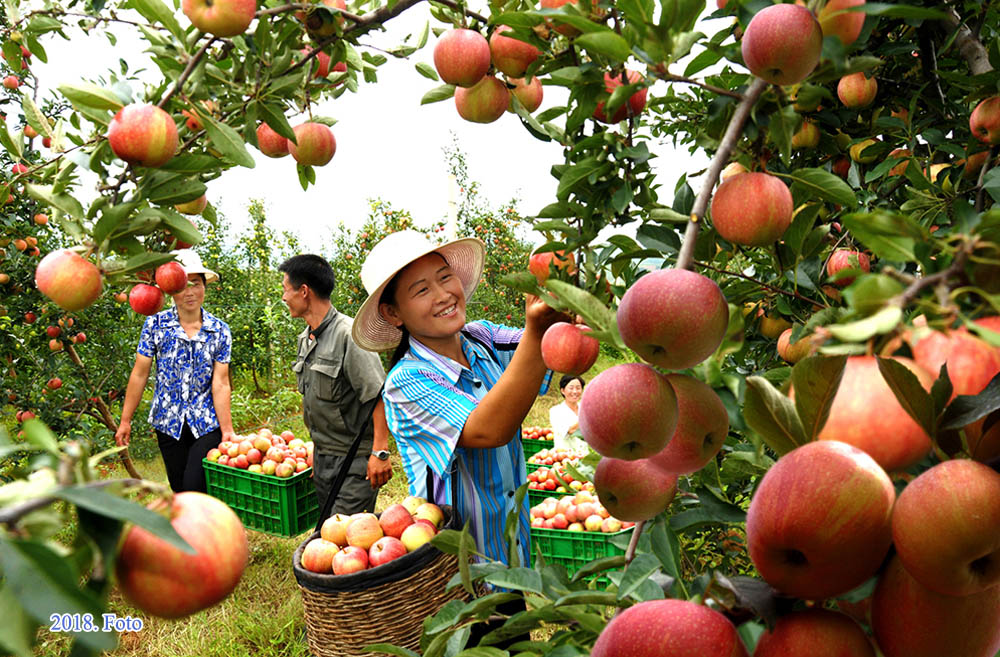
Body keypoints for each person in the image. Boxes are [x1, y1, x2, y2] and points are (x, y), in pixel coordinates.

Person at [351, 230, 569, 571]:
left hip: (511, 549)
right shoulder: (406, 382)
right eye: (422, 290)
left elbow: (550, 349)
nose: (443, 295)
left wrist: (567, 310)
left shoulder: (481, 336)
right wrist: (541, 330)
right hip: (459, 571)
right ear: (394, 313)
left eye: (445, 277)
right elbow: (488, 429)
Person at [279, 254, 392, 514]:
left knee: (347, 539)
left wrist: (381, 452)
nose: (284, 298)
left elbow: (378, 396)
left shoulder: (349, 336)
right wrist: (316, 449)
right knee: (329, 536)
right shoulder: (305, 339)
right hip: (323, 459)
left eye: (286, 290)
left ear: (304, 291)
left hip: (354, 461)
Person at [115, 250, 235, 494]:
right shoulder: (155, 326)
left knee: (195, 485)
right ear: (171, 290)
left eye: (196, 284)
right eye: (182, 286)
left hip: (206, 422)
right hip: (168, 423)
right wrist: (125, 420)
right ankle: (193, 532)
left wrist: (227, 430)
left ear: (204, 287)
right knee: (180, 490)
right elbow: (140, 373)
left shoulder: (220, 331)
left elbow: (220, 383)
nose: (189, 292)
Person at [550, 375, 588, 455]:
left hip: (585, 456)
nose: (575, 391)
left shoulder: (585, 408)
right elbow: (569, 431)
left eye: (578, 388)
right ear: (563, 391)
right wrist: (587, 418)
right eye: (571, 388)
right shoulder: (556, 411)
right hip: (565, 458)